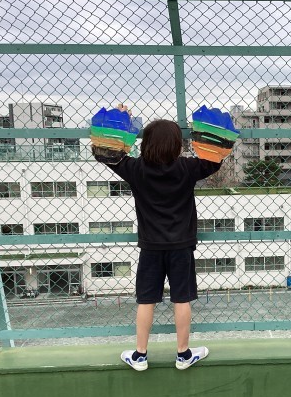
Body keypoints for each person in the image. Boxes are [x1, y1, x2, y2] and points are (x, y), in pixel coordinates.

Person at [95, 117, 222, 371]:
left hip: (150, 247)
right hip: (181, 246)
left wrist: (118, 119)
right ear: (176, 145)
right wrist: (207, 127)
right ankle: (183, 355)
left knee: (146, 300)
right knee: (181, 299)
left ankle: (140, 355)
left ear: (146, 144)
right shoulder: (186, 168)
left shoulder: (136, 169)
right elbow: (215, 159)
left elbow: (105, 154)